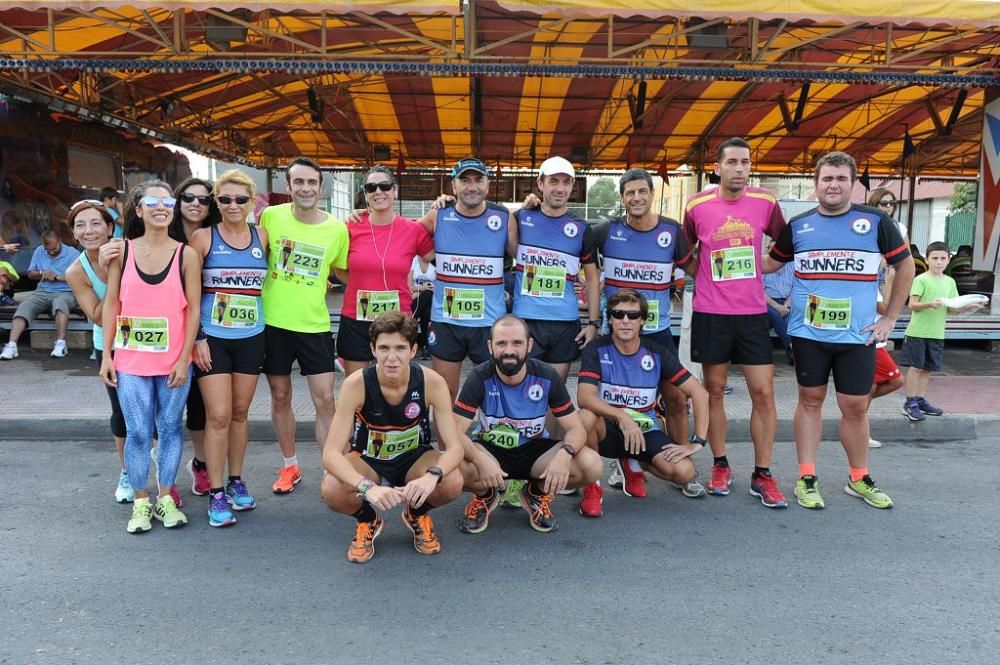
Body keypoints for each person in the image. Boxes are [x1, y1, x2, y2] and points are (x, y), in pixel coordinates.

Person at [764, 151, 914, 510]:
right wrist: (723, 251)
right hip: (808, 334)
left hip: (857, 336)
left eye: (841, 179)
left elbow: (905, 267)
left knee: (855, 407)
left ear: (853, 184)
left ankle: (858, 477)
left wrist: (891, 317)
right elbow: (770, 263)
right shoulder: (799, 226)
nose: (833, 185)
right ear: (815, 184)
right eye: (827, 178)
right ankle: (806, 477)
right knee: (810, 402)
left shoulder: (875, 221)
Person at [676, 136, 787, 508]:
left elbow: (783, 247)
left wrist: (763, 267)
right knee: (715, 391)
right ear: (718, 166)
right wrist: (702, 274)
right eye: (733, 162)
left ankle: (763, 473)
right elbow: (684, 250)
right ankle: (721, 464)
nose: (740, 169)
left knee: (764, 394)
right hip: (712, 313)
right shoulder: (697, 205)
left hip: (753, 314)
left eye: (745, 162)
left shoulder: (766, 201)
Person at [99, 180, 202, 533]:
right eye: (152, 202)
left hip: (173, 362)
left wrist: (184, 357)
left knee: (171, 429)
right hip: (130, 361)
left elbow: (193, 311)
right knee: (139, 431)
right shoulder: (121, 252)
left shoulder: (186, 254)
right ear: (138, 209)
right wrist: (107, 356)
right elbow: (112, 303)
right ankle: (141, 501)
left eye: (168, 201)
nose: (162, 207)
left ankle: (166, 498)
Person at [321, 312, 464, 563]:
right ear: (373, 349)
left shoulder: (432, 382)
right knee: (332, 488)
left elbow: (454, 448)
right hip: (369, 460)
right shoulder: (356, 384)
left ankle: (417, 513)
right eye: (384, 348)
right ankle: (368, 520)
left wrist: (431, 478)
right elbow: (331, 454)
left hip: (414, 459)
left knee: (452, 481)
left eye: (400, 348)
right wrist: (366, 487)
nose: (391, 357)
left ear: (413, 350)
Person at [591, 169, 693, 495]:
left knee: (675, 400)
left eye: (641, 192)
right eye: (629, 193)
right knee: (609, 402)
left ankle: (678, 452)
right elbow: (569, 243)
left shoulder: (671, 231)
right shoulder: (607, 231)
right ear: (622, 198)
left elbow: (697, 269)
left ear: (652, 195)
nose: (636, 198)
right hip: (615, 333)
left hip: (657, 332)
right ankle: (608, 462)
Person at [454, 315, 603, 534]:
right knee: (451, 467)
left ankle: (535, 493)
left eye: (517, 343)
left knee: (592, 464)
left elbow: (576, 429)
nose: (509, 350)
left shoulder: (547, 376)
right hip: (490, 452)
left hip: (534, 453)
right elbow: (454, 432)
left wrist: (565, 454)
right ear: (490, 347)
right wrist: (478, 459)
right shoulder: (479, 377)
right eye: (501, 343)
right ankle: (485, 495)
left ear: (529, 345)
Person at [575, 289, 711, 517]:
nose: (625, 321)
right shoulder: (596, 348)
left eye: (633, 315)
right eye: (618, 315)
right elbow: (584, 397)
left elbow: (700, 393)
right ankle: (592, 488)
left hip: (643, 431)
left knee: (684, 472)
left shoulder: (656, 352)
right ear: (610, 319)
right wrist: (622, 416)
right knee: (585, 416)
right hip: (607, 429)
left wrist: (697, 441)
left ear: (642, 320)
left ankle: (632, 463)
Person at [260, 156, 349, 493]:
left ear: (320, 187)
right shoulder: (271, 216)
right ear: (288, 186)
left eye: (312, 182)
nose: (306, 188)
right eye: (299, 182)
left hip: (314, 325)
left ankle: (334, 469)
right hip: (274, 323)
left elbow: (342, 272)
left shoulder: (336, 229)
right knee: (280, 396)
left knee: (326, 400)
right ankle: (290, 467)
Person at [189, 169, 269, 527]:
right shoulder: (203, 238)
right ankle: (216, 491)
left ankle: (237, 480)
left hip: (252, 337)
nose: (233, 205)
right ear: (215, 202)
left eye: (240, 199)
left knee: (239, 413)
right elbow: (188, 294)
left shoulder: (262, 236)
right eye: (224, 199)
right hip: (213, 340)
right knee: (218, 415)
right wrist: (197, 338)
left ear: (251, 202)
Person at [423, 158, 517, 399]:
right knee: (445, 394)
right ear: (453, 186)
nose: (472, 187)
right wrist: (365, 213)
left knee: (493, 394)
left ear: (488, 185)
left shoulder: (504, 217)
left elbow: (528, 253)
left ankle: (483, 437)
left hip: (488, 324)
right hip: (447, 322)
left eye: (478, 180)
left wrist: (533, 204)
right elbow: (401, 237)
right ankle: (447, 439)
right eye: (465, 180)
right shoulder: (437, 215)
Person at [64, 200, 133, 502]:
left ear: (110, 227)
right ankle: (128, 472)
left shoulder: (131, 250)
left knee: (152, 411)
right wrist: (109, 273)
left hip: (144, 338)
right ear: (74, 234)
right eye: (81, 225)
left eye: (95, 223)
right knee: (121, 412)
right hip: (107, 344)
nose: (89, 230)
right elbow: (96, 314)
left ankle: (158, 471)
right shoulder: (75, 271)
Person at [336, 166, 433, 376]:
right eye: (371, 187)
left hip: (397, 320)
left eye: (384, 186)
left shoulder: (413, 230)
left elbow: (436, 256)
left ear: (395, 190)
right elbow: (338, 269)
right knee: (357, 387)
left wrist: (443, 207)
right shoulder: (349, 227)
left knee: (396, 387)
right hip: (356, 319)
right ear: (366, 194)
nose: (378, 191)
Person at [513, 156, 600, 381]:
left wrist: (592, 324)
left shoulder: (582, 228)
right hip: (526, 320)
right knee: (522, 389)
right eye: (553, 181)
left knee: (554, 394)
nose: (560, 188)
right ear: (540, 183)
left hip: (564, 323)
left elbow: (592, 280)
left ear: (572, 186)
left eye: (566, 182)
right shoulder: (520, 218)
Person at [168, 178, 220, 497]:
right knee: (168, 410)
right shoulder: (160, 234)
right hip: (169, 335)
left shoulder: (215, 236)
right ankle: (166, 479)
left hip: (206, 332)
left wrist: (201, 335)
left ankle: (200, 465)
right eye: (188, 197)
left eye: (203, 199)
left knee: (200, 408)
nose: (196, 203)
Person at [899, 241, 986, 422]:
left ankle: (920, 399)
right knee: (916, 368)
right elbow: (912, 305)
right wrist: (929, 304)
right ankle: (910, 403)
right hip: (917, 332)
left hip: (937, 333)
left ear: (948, 260)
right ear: (927, 259)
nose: (939, 262)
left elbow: (953, 307)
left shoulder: (950, 282)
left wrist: (971, 306)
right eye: (935, 258)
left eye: (942, 258)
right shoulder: (921, 279)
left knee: (928, 369)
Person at [0, 229, 80, 360]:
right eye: (47, 250)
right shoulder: (39, 251)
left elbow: (81, 277)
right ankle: (12, 345)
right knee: (25, 306)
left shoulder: (73, 254)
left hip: (66, 291)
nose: (51, 252)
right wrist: (42, 273)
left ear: (60, 241)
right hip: (42, 291)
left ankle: (61, 344)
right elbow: (31, 274)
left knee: (60, 304)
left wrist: (57, 277)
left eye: (53, 249)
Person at [763, 259, 794, 364]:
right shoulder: (764, 265)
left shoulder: (793, 265)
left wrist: (786, 306)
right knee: (775, 314)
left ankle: (792, 353)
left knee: (790, 317)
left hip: (788, 302)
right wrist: (776, 306)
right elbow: (759, 290)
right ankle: (792, 348)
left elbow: (797, 288)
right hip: (768, 302)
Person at [409, 255, 435, 359]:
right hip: (415, 297)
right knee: (427, 307)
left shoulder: (436, 261)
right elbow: (409, 287)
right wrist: (423, 288)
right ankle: (426, 347)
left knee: (427, 309)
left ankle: (410, 321)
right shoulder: (413, 260)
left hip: (433, 299)